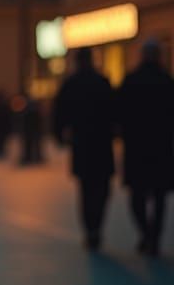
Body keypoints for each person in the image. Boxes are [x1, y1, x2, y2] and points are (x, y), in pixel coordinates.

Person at [52, 48, 116, 251]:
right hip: (102, 143)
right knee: (102, 188)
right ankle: (97, 225)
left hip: (82, 143)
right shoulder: (102, 82)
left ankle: (90, 229)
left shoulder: (71, 84)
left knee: (86, 189)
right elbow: (114, 111)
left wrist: (60, 136)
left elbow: (59, 113)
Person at [116, 40, 174, 257]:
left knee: (137, 196)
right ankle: (154, 238)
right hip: (161, 147)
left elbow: (118, 113)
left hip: (136, 148)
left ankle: (146, 233)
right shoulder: (167, 81)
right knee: (159, 197)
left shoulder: (131, 81)